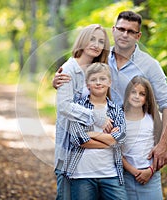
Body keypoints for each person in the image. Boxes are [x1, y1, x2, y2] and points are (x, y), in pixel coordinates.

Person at [53, 10, 167, 172]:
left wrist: (163, 145)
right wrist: (59, 81)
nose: (125, 35)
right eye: (121, 29)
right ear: (113, 30)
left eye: (131, 31)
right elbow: (79, 80)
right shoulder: (99, 57)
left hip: (136, 149)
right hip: (97, 149)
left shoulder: (150, 65)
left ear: (138, 36)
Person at [54, 24, 113, 200]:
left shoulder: (99, 70)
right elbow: (64, 106)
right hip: (71, 152)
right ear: (82, 40)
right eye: (92, 39)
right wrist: (96, 116)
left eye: (101, 41)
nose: (96, 44)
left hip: (96, 155)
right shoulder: (69, 69)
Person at [64, 62, 127, 200]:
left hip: (110, 174)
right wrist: (109, 140)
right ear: (87, 84)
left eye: (102, 79)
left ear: (109, 82)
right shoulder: (77, 108)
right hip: (82, 175)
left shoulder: (116, 109)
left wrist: (91, 134)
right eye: (93, 79)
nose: (98, 83)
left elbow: (121, 138)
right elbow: (78, 139)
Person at [122, 76, 164, 199]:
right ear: (127, 94)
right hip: (127, 174)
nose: (136, 96)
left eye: (142, 94)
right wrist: (134, 172)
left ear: (147, 99)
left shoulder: (153, 120)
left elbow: (162, 151)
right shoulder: (120, 119)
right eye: (133, 92)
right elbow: (116, 151)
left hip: (151, 174)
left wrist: (150, 171)